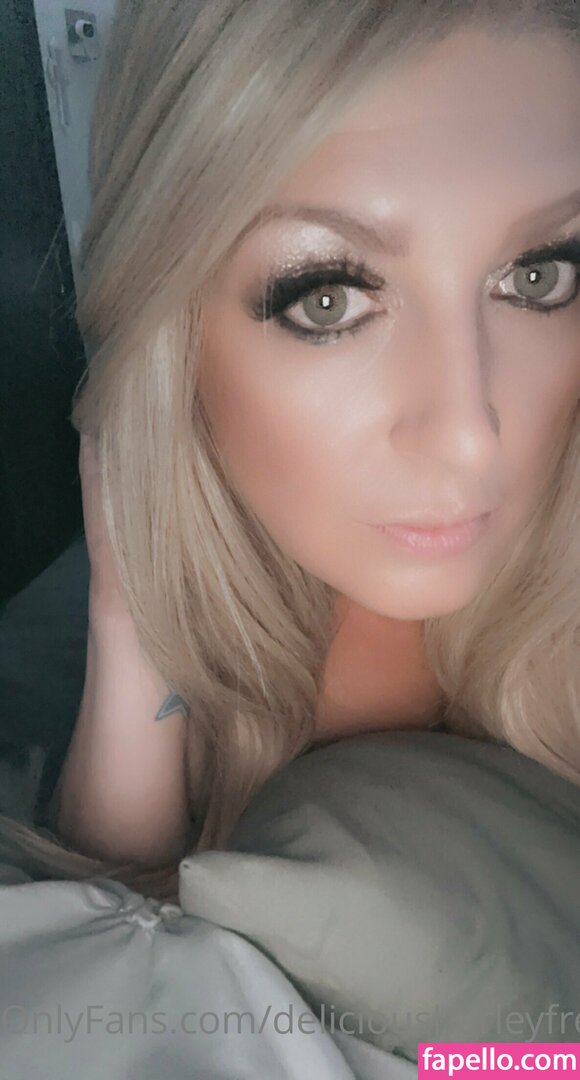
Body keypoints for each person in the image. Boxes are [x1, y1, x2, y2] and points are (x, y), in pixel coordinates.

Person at [1, 0, 579, 906]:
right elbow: (121, 946)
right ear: (175, 329)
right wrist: (134, 618)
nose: (468, 433)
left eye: (538, 276)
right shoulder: (223, 602)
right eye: (328, 298)